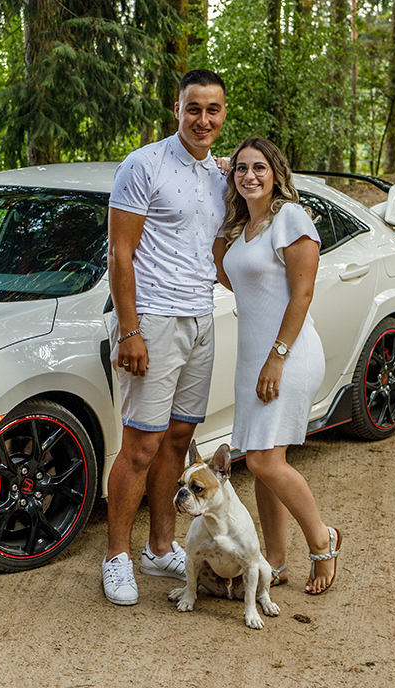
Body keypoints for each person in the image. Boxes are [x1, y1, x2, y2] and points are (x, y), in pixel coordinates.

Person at [103, 69, 228, 606]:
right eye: (193, 108)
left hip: (202, 320)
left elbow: (219, 253)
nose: (203, 119)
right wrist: (129, 329)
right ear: (176, 109)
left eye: (213, 110)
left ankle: (159, 547)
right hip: (151, 321)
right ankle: (116, 558)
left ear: (224, 115)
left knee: (178, 440)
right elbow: (119, 253)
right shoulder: (145, 164)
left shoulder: (220, 176)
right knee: (141, 445)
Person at [213, 136, 342, 595]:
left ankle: (322, 541)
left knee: (267, 461)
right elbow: (227, 277)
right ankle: (276, 561)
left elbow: (302, 295)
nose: (249, 175)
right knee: (262, 460)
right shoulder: (242, 228)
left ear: (277, 174)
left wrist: (276, 358)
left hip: (286, 356)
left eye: (259, 168)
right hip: (253, 361)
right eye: (241, 169)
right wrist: (215, 174)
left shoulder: (290, 218)